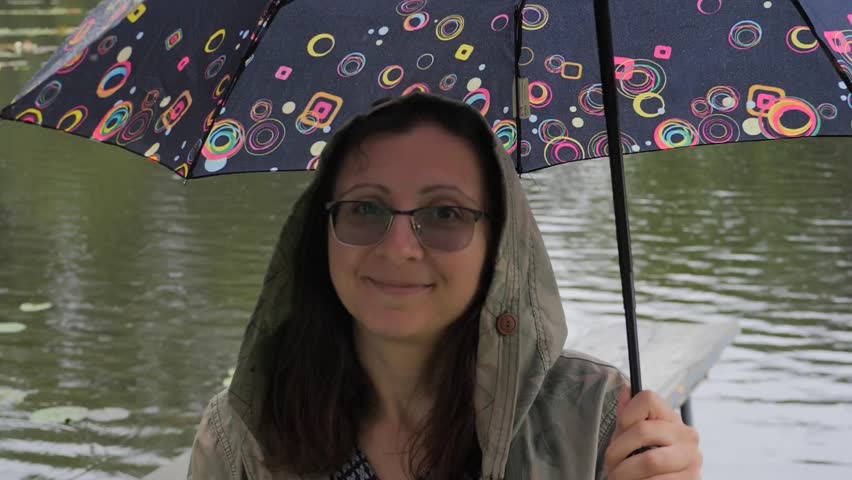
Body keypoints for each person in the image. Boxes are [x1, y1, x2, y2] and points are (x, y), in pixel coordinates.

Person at [188, 93, 702, 479]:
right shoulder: (245, 433)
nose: (398, 248)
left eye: (445, 213)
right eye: (366, 207)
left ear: (498, 245)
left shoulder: (596, 422)